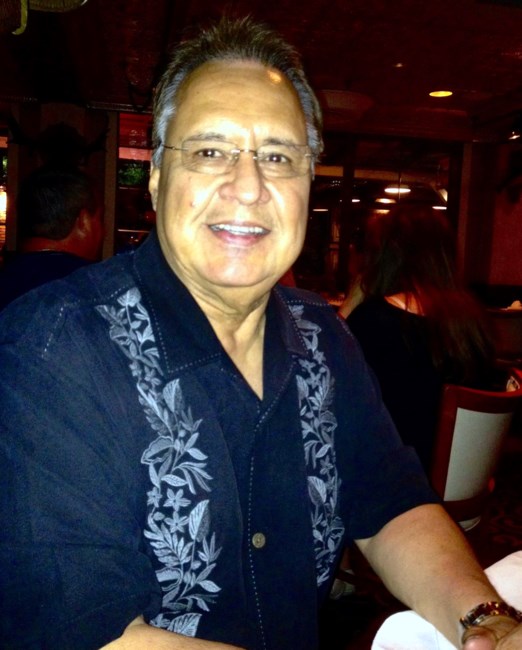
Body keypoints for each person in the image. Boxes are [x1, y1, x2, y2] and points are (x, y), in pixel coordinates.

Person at [0, 17, 521, 650]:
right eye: (210, 151)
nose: (249, 187)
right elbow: (85, 633)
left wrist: (485, 619)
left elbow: (391, 504)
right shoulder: (52, 350)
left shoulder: (325, 336)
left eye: (278, 156)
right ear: (158, 178)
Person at [345, 206, 496, 471]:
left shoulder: (374, 321)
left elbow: (324, 378)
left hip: (396, 480)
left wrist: (350, 305)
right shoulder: (475, 322)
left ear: (386, 257)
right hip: (464, 475)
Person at [0, 164, 103, 311]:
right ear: (84, 221)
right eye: (100, 218)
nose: (104, 231)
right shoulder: (97, 292)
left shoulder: (6, 281)